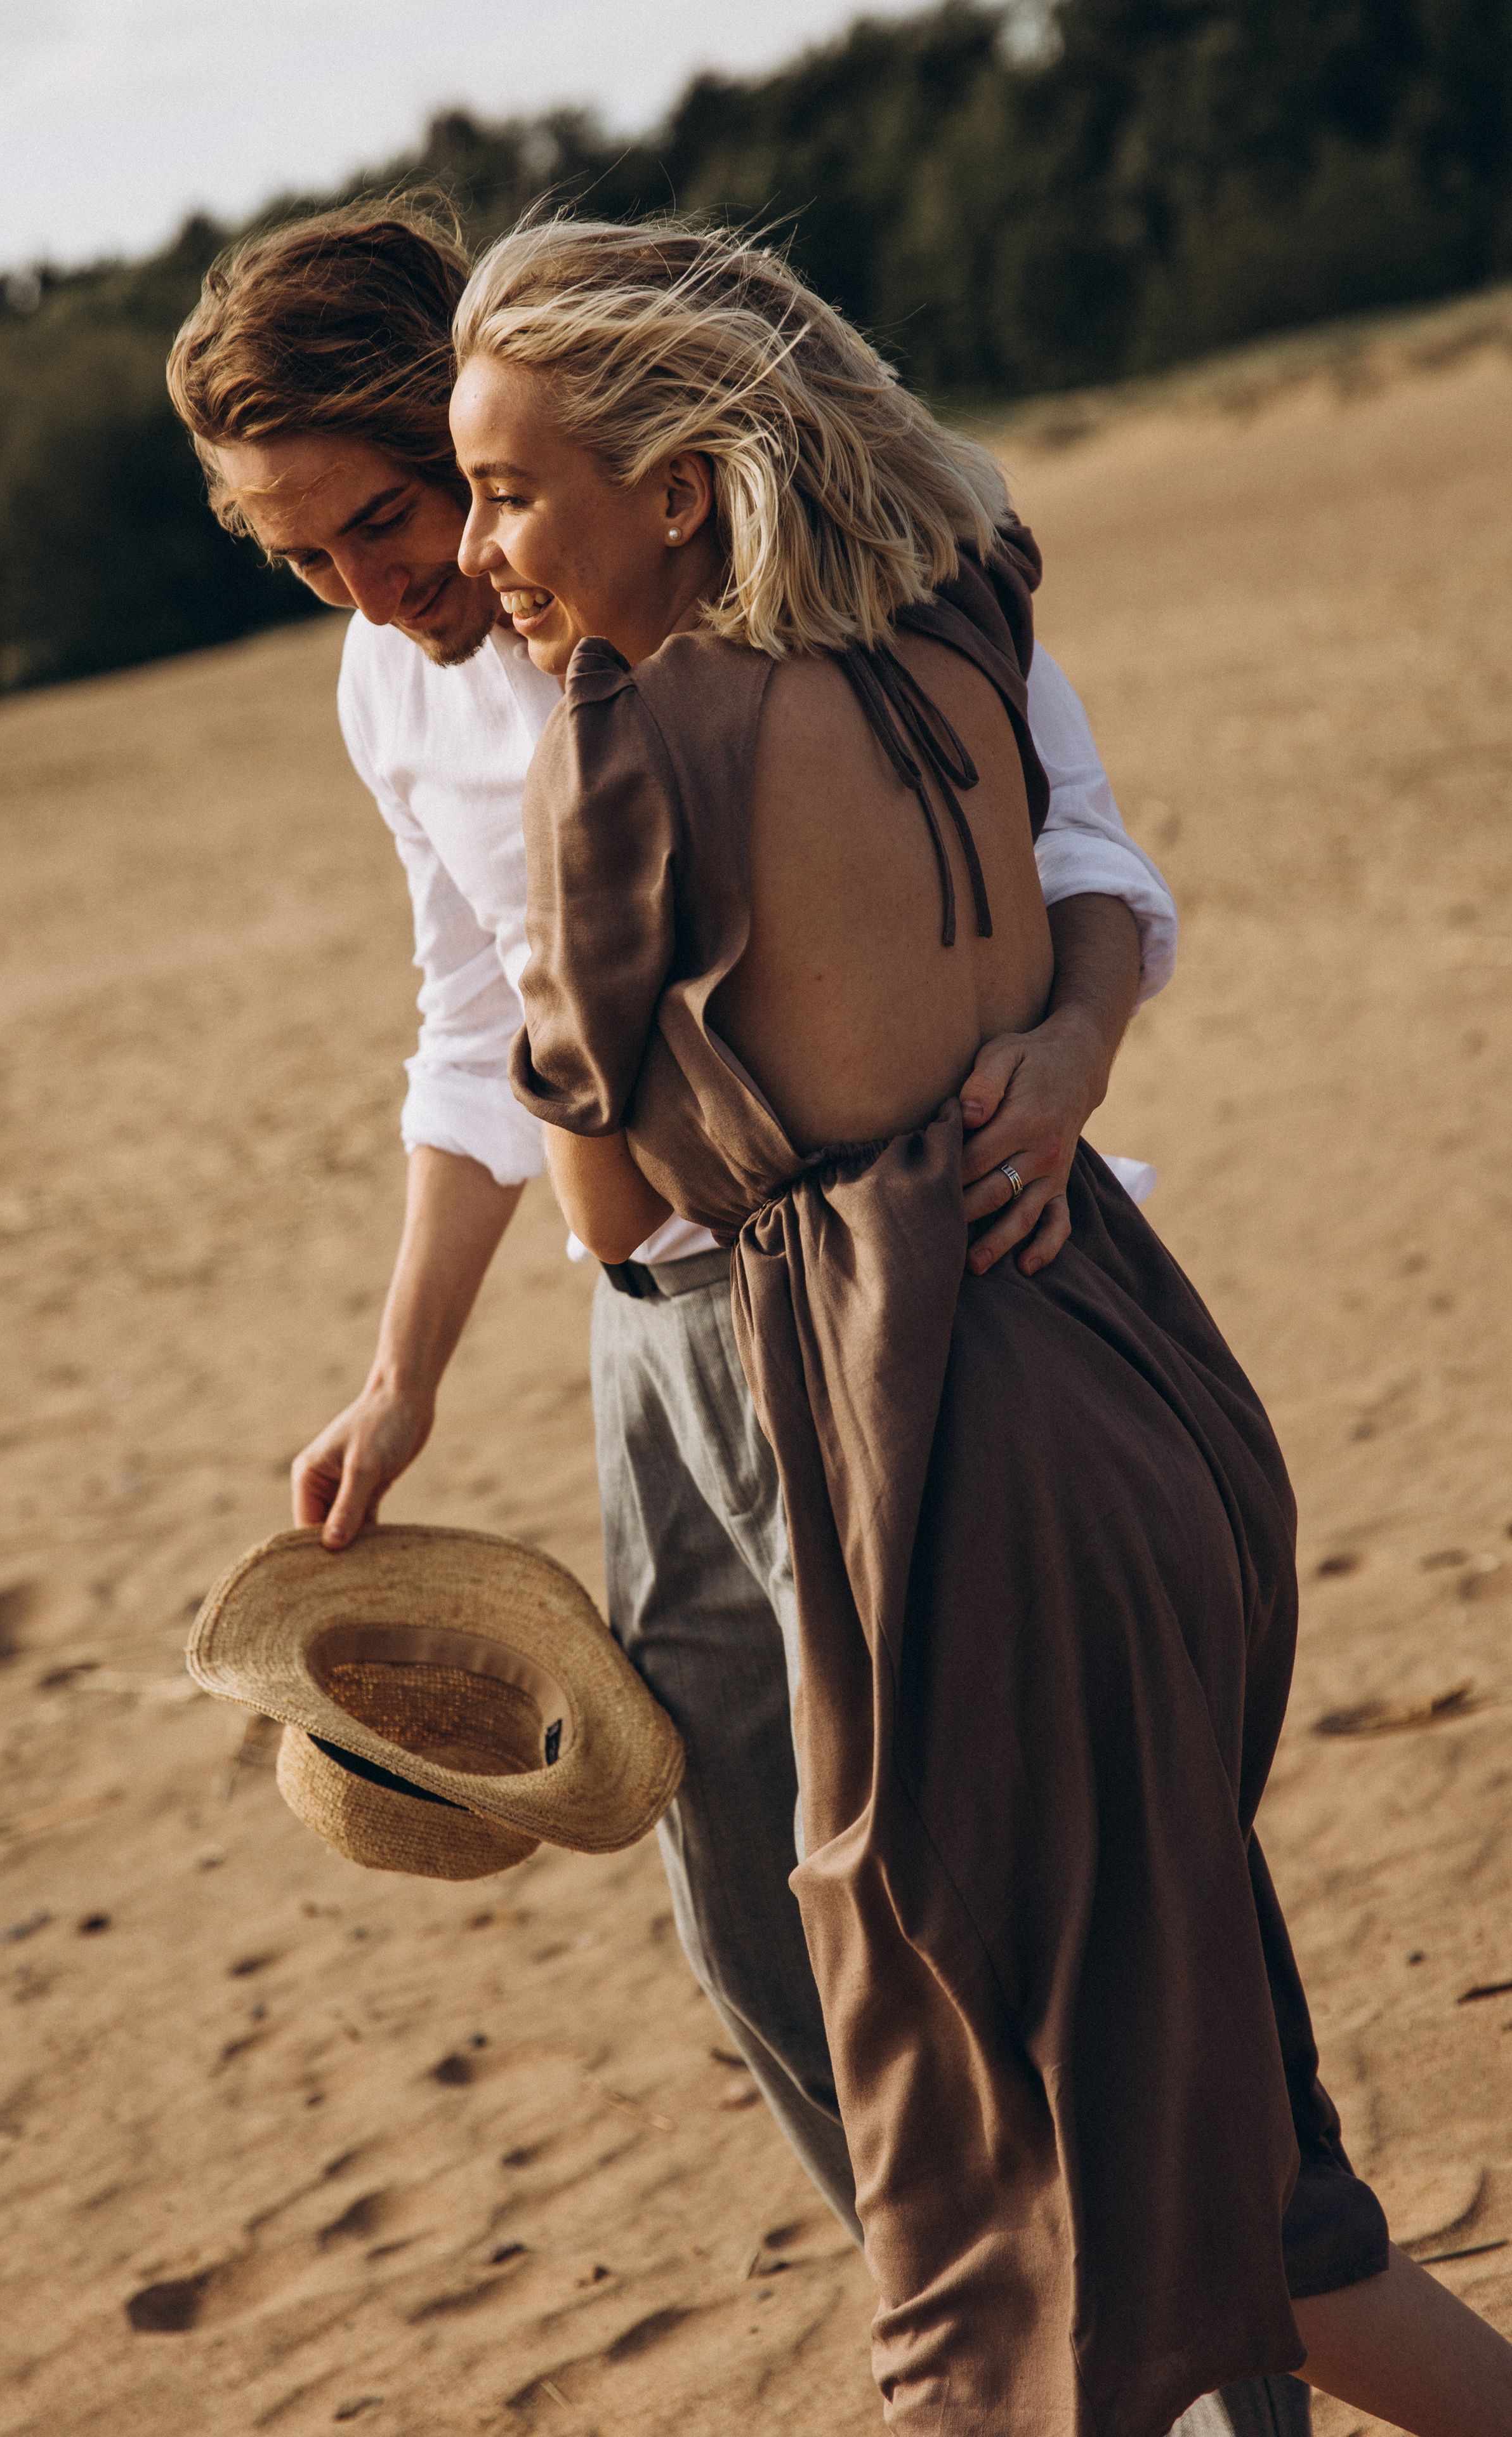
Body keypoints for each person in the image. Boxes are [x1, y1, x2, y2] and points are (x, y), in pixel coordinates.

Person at [166, 205, 1299, 2437]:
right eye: (304, 560)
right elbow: (473, 1024)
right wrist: (401, 1373)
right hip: (657, 1356)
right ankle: (988, 2329)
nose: (375, 587)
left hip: (914, 1313)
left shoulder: (834, 577)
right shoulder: (393, 686)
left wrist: (1073, 1063)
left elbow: (1086, 857)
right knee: (759, 1916)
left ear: (491, 422)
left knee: (1031, 1889)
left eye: (395, 514)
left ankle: (1196, 2342)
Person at [447, 215, 1512, 2437]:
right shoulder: (961, 620)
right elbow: (1081, 912)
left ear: (676, 478)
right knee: (1204, 2146)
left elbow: (615, 1204)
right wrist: (1038, 1041)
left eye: (510, 490)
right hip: (1143, 1377)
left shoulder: (619, 755)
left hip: (940, 1457)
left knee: (1029, 2220)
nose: (481, 548)